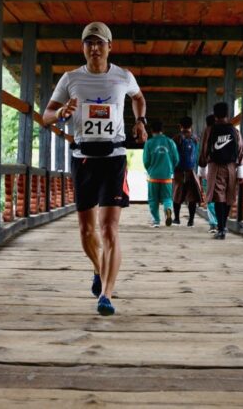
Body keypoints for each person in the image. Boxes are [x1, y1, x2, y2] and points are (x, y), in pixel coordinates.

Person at [42, 21, 148, 316]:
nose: (94, 47)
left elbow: (138, 98)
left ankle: (106, 295)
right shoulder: (70, 78)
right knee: (86, 230)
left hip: (113, 157)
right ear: (83, 47)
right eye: (89, 42)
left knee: (109, 229)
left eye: (100, 42)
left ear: (110, 47)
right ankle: (98, 269)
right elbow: (46, 116)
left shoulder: (123, 77)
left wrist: (140, 122)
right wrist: (62, 112)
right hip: (83, 158)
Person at [199, 101, 243, 239]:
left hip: (215, 166)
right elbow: (241, 150)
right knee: (229, 196)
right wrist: (241, 171)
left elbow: (204, 149)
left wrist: (202, 169)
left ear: (215, 115)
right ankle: (224, 225)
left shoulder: (210, 130)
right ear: (227, 114)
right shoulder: (234, 130)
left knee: (219, 197)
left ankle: (221, 228)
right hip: (232, 167)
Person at [142, 119, 179, 228]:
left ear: (151, 130)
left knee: (153, 199)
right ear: (163, 130)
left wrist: (150, 170)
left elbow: (146, 161)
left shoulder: (149, 143)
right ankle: (168, 209)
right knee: (167, 198)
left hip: (153, 176)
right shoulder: (170, 142)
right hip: (167, 176)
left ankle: (156, 221)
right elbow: (176, 159)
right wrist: (170, 169)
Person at [172, 116, 204, 227]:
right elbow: (198, 155)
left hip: (179, 171)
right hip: (191, 171)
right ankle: (191, 220)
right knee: (192, 197)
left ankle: (176, 219)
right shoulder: (195, 139)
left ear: (180, 126)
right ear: (191, 126)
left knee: (177, 195)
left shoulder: (176, 138)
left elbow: (172, 155)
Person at [198, 114, 218, 233]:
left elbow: (202, 152)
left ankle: (213, 224)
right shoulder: (223, 131)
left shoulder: (206, 132)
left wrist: (200, 171)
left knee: (210, 198)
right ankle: (219, 222)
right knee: (220, 197)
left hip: (207, 170)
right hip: (221, 171)